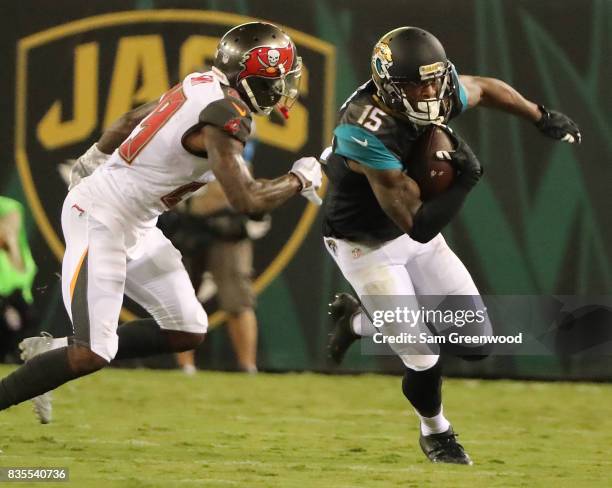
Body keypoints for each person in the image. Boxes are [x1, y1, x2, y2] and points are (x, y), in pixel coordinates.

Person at [0, 21, 322, 424]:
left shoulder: (201, 82)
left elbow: (130, 118)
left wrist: (94, 158)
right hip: (101, 217)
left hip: (136, 222)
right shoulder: (225, 115)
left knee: (188, 327)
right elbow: (248, 201)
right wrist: (299, 178)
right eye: (278, 79)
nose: (283, 89)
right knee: (92, 352)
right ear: (253, 78)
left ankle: (51, 350)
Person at [322, 27, 581, 465]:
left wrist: (540, 114)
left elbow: (483, 88)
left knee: (476, 345)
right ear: (388, 84)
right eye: (415, 84)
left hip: (413, 237)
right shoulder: (364, 130)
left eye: (433, 80)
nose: (428, 93)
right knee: (422, 355)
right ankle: (436, 431)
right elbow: (418, 225)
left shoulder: (438, 91)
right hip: (364, 244)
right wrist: (466, 180)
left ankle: (359, 322)